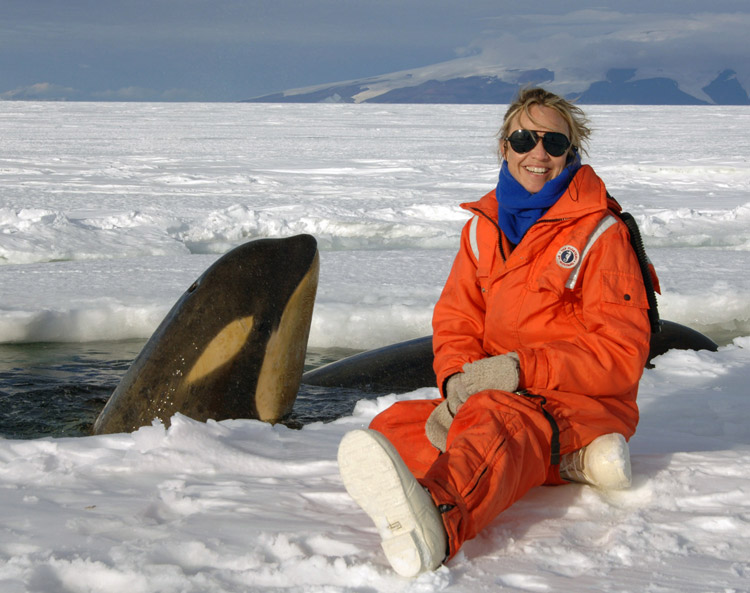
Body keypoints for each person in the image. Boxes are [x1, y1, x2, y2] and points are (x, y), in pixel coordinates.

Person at [337, 87, 655, 578]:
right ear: (504, 146)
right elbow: (456, 320)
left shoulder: (601, 234)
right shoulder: (482, 230)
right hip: (499, 394)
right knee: (394, 428)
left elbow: (621, 352)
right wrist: (458, 382)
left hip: (579, 401)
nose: (538, 154)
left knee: (495, 421)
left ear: (571, 152)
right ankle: (568, 463)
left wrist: (519, 370)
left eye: (554, 142)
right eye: (525, 138)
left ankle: (437, 522)